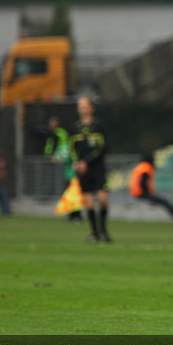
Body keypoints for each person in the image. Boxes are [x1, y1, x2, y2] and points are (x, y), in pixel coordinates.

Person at [69, 96, 111, 243]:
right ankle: (94, 233)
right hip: (83, 170)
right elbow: (72, 148)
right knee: (88, 202)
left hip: (97, 168)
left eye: (85, 106)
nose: (82, 109)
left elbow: (103, 147)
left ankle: (104, 230)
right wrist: (76, 162)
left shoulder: (99, 126)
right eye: (80, 106)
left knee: (102, 199)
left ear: (91, 108)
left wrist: (87, 162)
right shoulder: (75, 128)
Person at [129, 153, 173, 222]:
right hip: (141, 192)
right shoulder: (146, 167)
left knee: (162, 200)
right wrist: (148, 193)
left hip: (135, 192)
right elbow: (143, 181)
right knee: (165, 201)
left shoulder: (140, 166)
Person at [44, 116, 81, 222]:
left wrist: (56, 158)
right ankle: (73, 215)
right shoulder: (67, 145)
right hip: (69, 173)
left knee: (73, 194)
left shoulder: (67, 144)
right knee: (72, 194)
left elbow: (65, 156)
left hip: (73, 174)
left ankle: (75, 215)